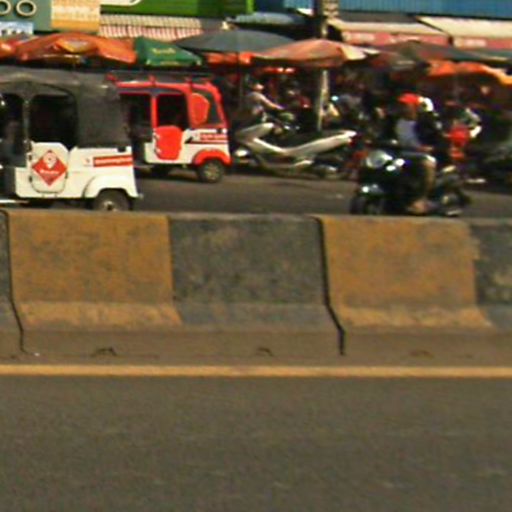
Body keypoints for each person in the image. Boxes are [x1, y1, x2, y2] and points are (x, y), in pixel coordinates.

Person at [394, 94, 437, 215]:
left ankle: (421, 199)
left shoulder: (425, 123)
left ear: (414, 107)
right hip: (399, 155)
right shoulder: (394, 121)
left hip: (419, 156)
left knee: (427, 166)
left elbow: (437, 139)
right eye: (401, 105)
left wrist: (429, 148)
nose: (403, 108)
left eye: (406, 105)